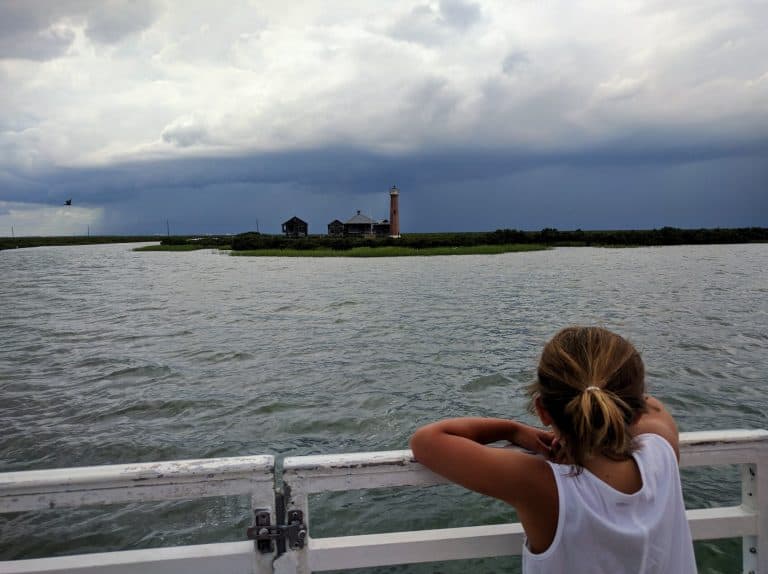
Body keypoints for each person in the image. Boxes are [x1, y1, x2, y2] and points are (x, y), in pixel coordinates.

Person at [410, 326, 697, 573]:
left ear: (542, 411)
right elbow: (652, 405)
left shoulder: (543, 486)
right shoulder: (661, 449)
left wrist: (513, 430)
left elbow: (426, 441)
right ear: (633, 412)